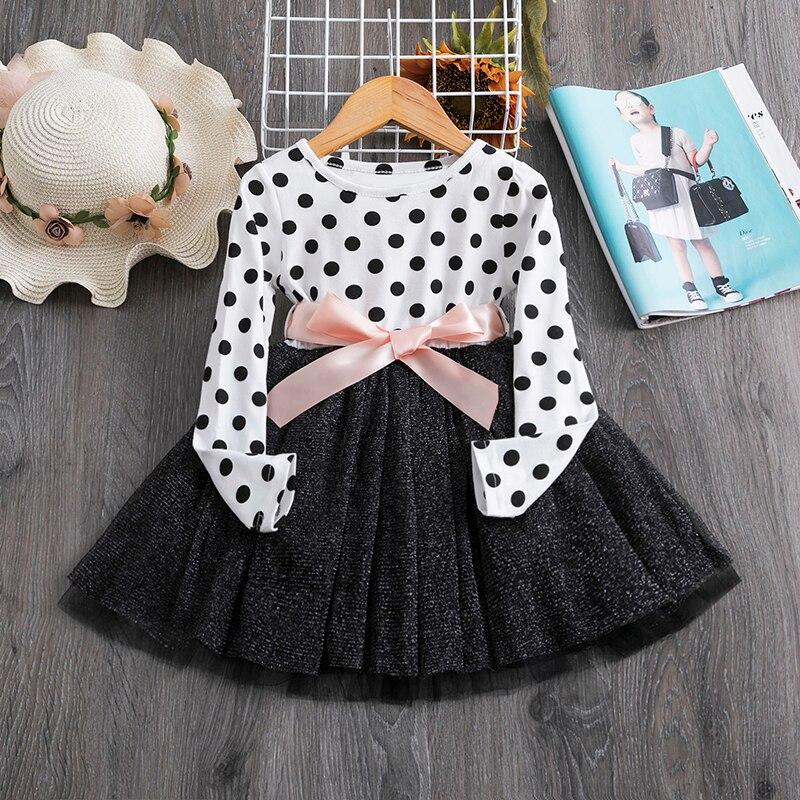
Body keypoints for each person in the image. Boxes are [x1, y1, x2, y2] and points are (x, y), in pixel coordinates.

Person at [610, 90, 743, 310]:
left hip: (687, 194)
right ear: (623, 117)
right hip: (662, 198)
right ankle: (691, 291)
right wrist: (622, 167)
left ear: (651, 108)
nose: (629, 106)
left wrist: (708, 144)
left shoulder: (676, 133)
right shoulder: (635, 140)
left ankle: (721, 285)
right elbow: (645, 169)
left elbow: (696, 161)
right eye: (623, 106)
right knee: (677, 246)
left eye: (633, 102)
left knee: (701, 242)